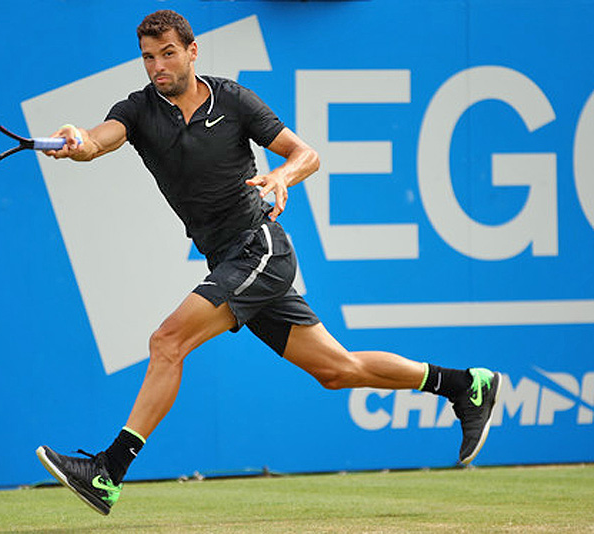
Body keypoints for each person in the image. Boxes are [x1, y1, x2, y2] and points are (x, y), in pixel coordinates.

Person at [36, 9, 500, 516]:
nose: (158, 66)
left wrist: (281, 177)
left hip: (259, 248)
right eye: (148, 57)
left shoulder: (233, 100)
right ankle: (465, 385)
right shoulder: (139, 109)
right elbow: (99, 139)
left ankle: (109, 471)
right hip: (227, 258)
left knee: (168, 341)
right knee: (336, 369)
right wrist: (77, 141)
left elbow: (306, 154)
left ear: (192, 52)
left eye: (168, 53)